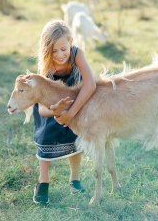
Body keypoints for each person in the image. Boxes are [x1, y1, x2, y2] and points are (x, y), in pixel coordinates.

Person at [32, 19, 96, 205]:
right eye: (53, 51)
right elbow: (41, 108)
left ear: (71, 42)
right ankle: (43, 182)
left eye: (63, 49)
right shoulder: (47, 68)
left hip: (75, 106)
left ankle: (75, 180)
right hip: (51, 109)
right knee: (46, 140)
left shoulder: (77, 54)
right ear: (46, 51)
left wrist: (71, 113)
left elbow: (90, 84)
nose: (60, 55)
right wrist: (56, 111)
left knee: (75, 142)